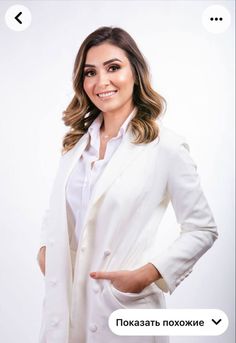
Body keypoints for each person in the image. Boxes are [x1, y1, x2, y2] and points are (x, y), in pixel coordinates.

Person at [37, 26, 218, 343]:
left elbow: (202, 228)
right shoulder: (75, 147)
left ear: (136, 72)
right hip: (66, 303)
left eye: (113, 68)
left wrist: (146, 274)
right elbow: (59, 211)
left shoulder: (166, 148)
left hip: (122, 310)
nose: (101, 82)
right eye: (90, 72)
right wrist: (44, 249)